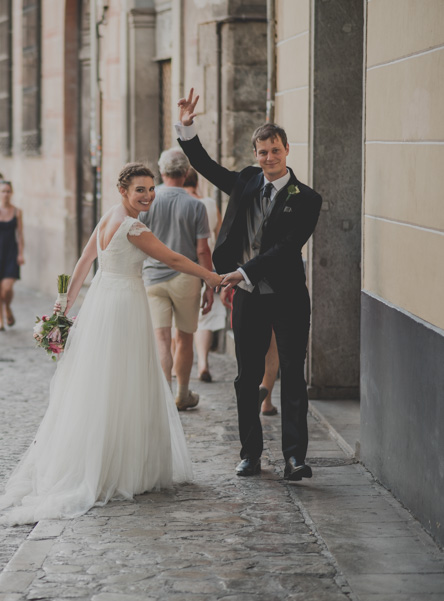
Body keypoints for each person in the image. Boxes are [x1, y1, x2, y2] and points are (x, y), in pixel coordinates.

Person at [0, 163, 222, 525]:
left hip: (103, 302)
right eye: (139, 190)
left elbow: (84, 261)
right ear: (123, 192)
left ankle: (106, 457)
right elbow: (173, 258)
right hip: (124, 306)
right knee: (123, 380)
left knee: (102, 380)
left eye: (150, 189)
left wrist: (64, 303)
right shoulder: (132, 226)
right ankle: (117, 467)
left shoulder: (109, 217)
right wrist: (211, 276)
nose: (147, 195)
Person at [177, 88, 322, 480]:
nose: (269, 158)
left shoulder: (307, 198)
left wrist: (242, 272)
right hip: (249, 299)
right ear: (255, 155)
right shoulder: (244, 182)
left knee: (293, 374)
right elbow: (207, 167)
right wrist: (187, 128)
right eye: (262, 152)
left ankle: (295, 457)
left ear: (286, 150)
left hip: (289, 297)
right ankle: (250, 454)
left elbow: (286, 248)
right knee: (246, 377)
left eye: (275, 150)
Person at [140, 148, 213, 411]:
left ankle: (163, 396)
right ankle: (182, 394)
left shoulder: (148, 200)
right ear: (186, 173)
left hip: (153, 277)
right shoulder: (196, 205)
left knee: (161, 339)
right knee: (184, 338)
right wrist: (209, 285)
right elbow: (203, 250)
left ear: (161, 172)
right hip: (186, 277)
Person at [184, 168, 228, 383]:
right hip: (207, 266)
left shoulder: (175, 202)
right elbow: (220, 237)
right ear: (197, 182)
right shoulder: (209, 204)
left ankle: (177, 367)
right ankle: (203, 363)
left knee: (180, 320)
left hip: (181, 268)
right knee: (205, 318)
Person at [0, 181, 24, 331]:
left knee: (6, 288)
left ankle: (7, 306)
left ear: (11, 193)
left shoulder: (17, 212)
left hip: (10, 253)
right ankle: (0, 321)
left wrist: (20, 253)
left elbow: (20, 235)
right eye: (2, 191)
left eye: (8, 191)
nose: (5, 194)